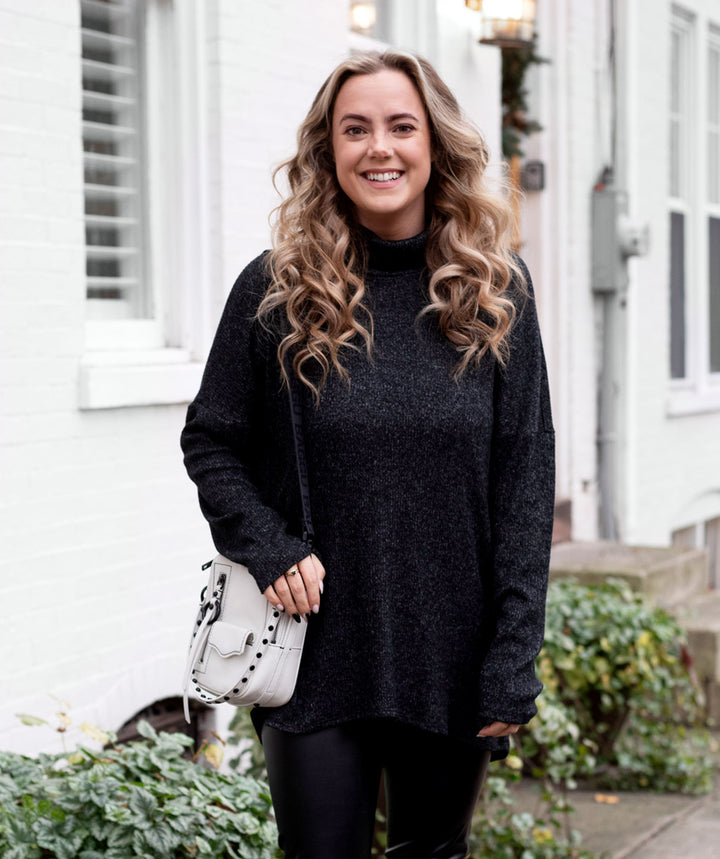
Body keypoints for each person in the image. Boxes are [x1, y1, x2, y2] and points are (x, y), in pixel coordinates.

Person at [181, 49, 555, 859]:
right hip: (313, 650)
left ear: (434, 144)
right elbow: (211, 439)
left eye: (400, 126)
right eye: (355, 129)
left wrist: (513, 655)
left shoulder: (497, 294)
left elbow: (526, 482)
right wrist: (269, 544)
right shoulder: (276, 290)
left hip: (452, 652)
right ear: (330, 150)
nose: (379, 147)